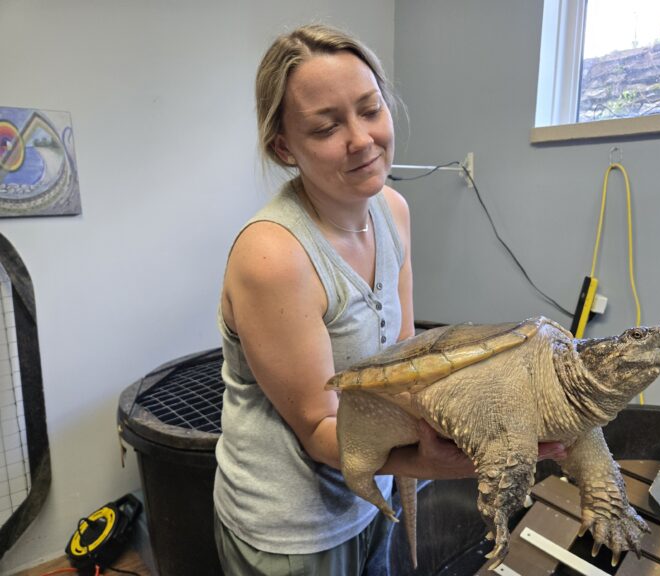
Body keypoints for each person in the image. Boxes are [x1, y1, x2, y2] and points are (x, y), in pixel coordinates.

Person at [213, 23, 565, 576]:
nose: (361, 139)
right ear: (284, 147)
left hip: (372, 494)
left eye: (370, 109)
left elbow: (405, 357)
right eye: (326, 127)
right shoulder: (274, 257)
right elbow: (320, 429)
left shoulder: (392, 211)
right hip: (295, 527)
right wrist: (450, 461)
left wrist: (477, 414)